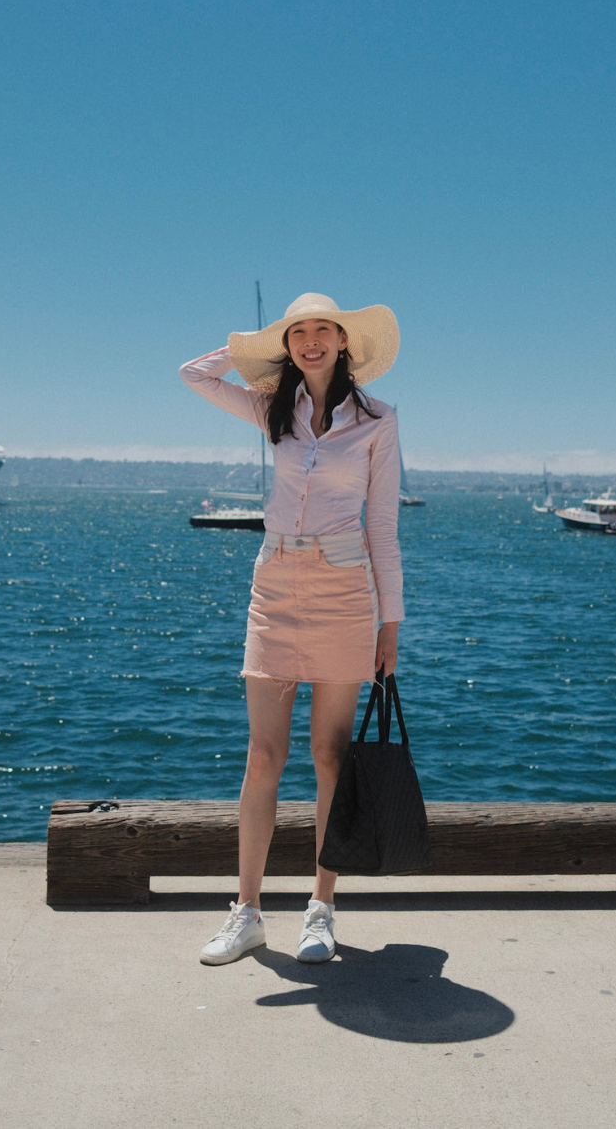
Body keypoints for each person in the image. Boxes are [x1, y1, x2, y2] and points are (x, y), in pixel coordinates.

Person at [179, 293, 404, 966]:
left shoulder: (379, 421)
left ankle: (320, 908)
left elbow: (383, 526)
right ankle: (246, 913)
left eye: (322, 330)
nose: (310, 341)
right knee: (263, 756)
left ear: (343, 340)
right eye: (297, 332)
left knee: (330, 756)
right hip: (274, 587)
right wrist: (249, 349)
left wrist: (390, 625)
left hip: (344, 591)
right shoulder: (272, 408)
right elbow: (194, 375)